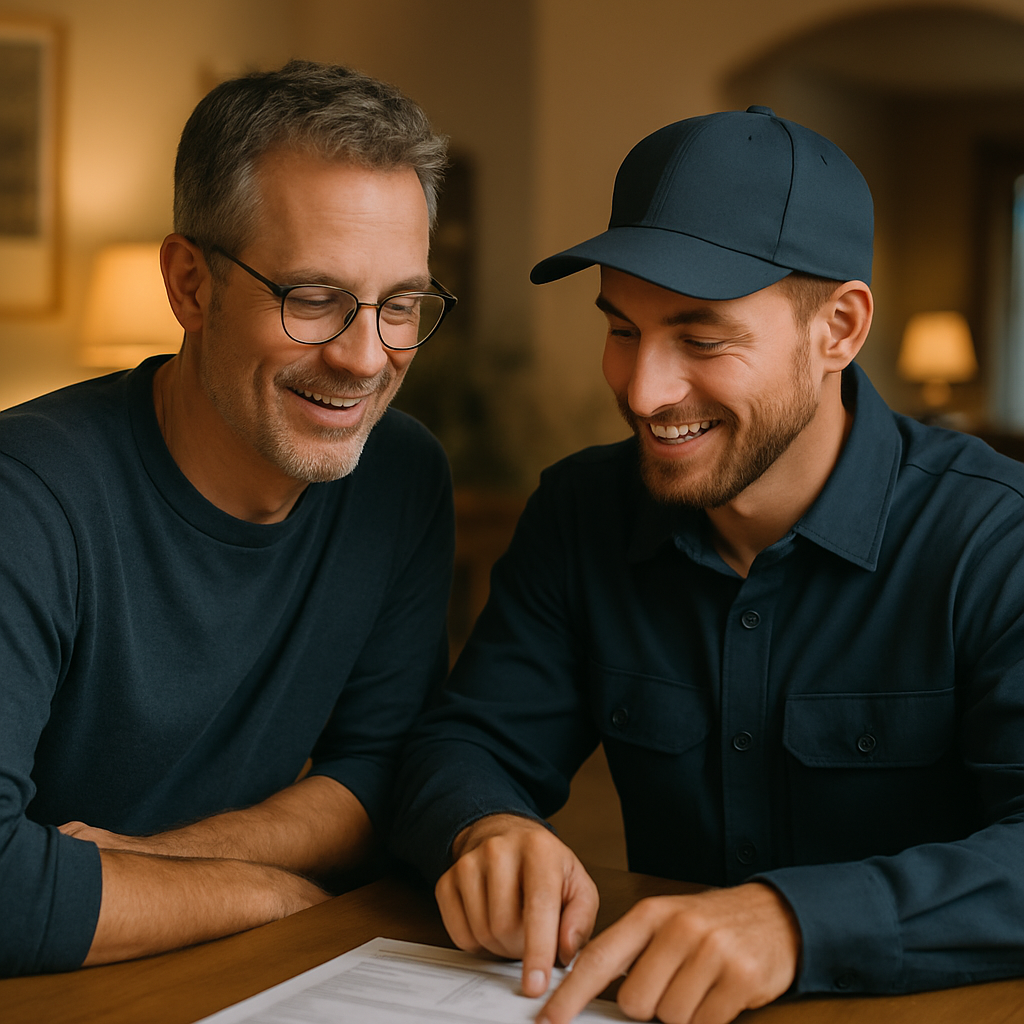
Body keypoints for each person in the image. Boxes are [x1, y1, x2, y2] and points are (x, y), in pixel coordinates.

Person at [392, 105, 1024, 1024]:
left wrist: (796, 923)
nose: (645, 392)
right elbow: (466, 742)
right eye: (621, 328)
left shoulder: (994, 540)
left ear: (838, 329)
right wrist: (486, 827)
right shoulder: (580, 514)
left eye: (702, 337)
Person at [0, 60, 458, 976]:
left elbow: (379, 773)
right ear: (190, 286)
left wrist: (161, 865)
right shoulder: (26, 497)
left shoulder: (401, 477)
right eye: (314, 299)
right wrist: (264, 894)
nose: (366, 360)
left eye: (401, 305)